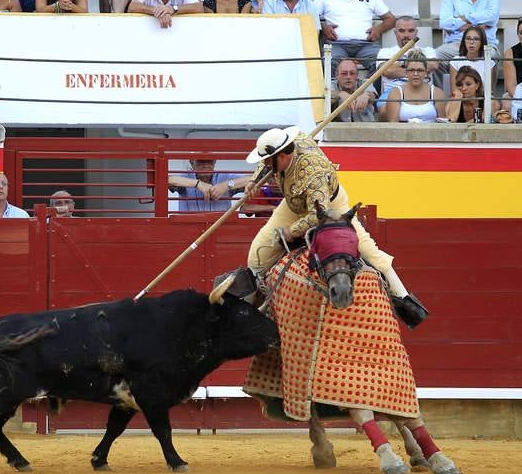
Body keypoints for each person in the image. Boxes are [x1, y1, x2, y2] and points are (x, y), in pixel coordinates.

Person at [244, 126, 413, 305]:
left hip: (331, 207)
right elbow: (266, 161)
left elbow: (318, 215)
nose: (267, 166)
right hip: (293, 204)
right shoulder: (288, 145)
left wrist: (291, 231)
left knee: (370, 253)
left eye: (269, 162)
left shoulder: (313, 171)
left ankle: (405, 301)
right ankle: (254, 308)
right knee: (257, 255)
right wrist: (253, 181)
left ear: (283, 156)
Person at [313, 0, 395, 74]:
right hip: (336, 45)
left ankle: (374, 93)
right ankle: (336, 93)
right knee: (327, 63)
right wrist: (323, 26)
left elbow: (390, 19)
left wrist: (378, 29)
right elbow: (309, 18)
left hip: (366, 45)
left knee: (383, 64)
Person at [436, 0, 500, 79]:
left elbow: (491, 17)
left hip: (485, 44)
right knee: (433, 57)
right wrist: (477, 25)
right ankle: (443, 96)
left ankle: (488, 97)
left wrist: (464, 18)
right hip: (456, 44)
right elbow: (444, 23)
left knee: (491, 56)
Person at [375, 16, 438, 116]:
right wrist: (418, 68)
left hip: (424, 90)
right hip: (392, 92)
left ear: (416, 32)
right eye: (402, 31)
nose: (406, 35)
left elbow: (433, 65)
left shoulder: (428, 50)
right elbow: (388, 71)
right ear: (395, 33)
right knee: (384, 111)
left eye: (410, 31)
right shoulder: (385, 52)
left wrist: (399, 66)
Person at [385, 49, 447, 123]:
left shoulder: (437, 93)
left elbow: (443, 123)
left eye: (420, 70)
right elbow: (393, 124)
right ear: (406, 72)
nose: (415, 74)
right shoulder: (395, 93)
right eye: (411, 70)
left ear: (426, 72)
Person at [168, 158, 251, 212]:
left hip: (221, 230)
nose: (206, 165)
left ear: (215, 162)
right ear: (191, 162)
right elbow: (165, 179)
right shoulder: (186, 177)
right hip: (190, 230)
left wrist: (227, 185)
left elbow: (254, 179)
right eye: (201, 161)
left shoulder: (225, 177)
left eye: (209, 161)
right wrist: (197, 184)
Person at [448, 25, 496, 92]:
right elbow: (455, 90)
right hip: (461, 99)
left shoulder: (489, 63)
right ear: (463, 41)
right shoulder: (455, 61)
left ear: (482, 42)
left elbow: (489, 91)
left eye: (476, 39)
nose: (471, 42)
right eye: (468, 38)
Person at [331, 58, 376, 122]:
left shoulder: (365, 82)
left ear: (357, 75)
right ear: (337, 75)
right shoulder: (331, 84)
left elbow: (373, 95)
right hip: (339, 127)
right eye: (344, 73)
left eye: (352, 73)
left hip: (365, 126)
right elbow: (327, 93)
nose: (348, 77)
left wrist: (366, 95)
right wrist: (340, 94)